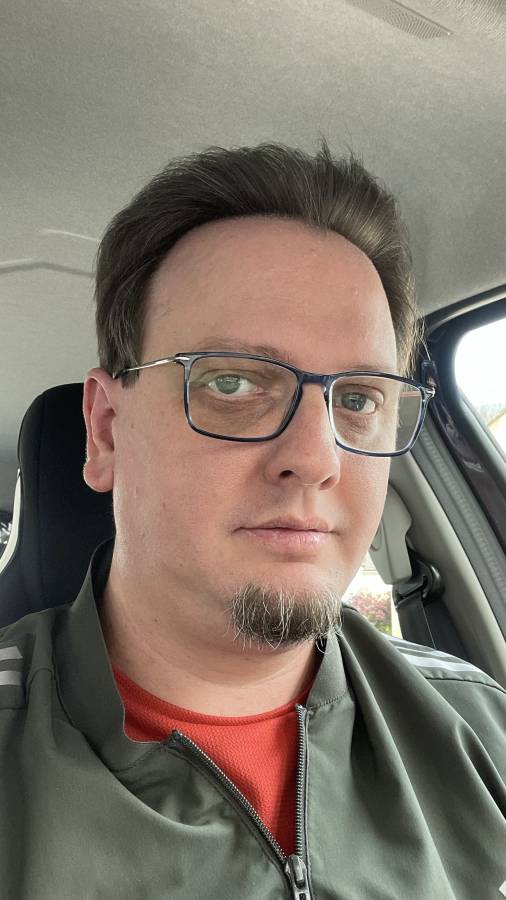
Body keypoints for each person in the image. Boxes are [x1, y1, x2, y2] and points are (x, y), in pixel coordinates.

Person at [0, 138, 505, 900]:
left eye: (358, 398)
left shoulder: (480, 729)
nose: (316, 457)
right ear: (105, 432)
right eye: (232, 383)